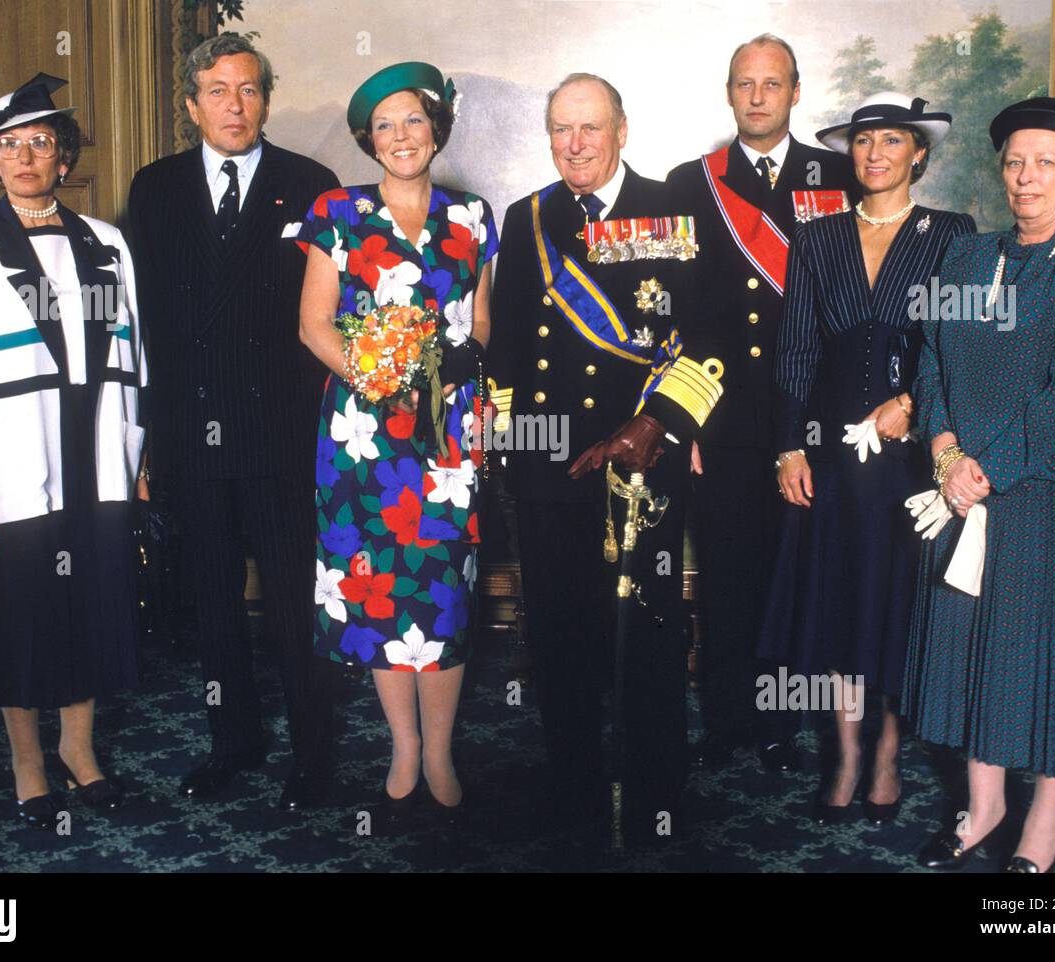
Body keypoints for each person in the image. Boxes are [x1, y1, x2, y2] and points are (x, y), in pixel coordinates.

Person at [489, 73, 718, 849]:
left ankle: (658, 788)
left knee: (648, 629)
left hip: (642, 462)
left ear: (622, 130)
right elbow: (511, 347)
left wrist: (660, 423)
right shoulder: (528, 220)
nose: (575, 144)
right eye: (561, 129)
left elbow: (710, 337)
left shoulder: (675, 211)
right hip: (551, 465)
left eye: (590, 128)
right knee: (559, 630)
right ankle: (574, 783)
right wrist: (513, 451)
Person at [903, 98, 1055, 873]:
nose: (1026, 176)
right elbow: (929, 360)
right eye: (1014, 161)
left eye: (1045, 162)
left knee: (1054, 659)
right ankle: (985, 805)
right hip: (964, 490)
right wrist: (943, 453)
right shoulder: (969, 255)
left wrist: (985, 469)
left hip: (1047, 493)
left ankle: (1044, 825)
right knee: (976, 654)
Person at [126, 34, 340, 811]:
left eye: (247, 90)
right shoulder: (152, 191)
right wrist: (146, 438)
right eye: (217, 91)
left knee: (293, 605)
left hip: (283, 438)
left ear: (267, 100)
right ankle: (233, 744)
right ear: (191, 106)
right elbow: (143, 323)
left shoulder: (310, 184)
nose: (234, 105)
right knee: (213, 605)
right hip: (193, 433)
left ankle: (315, 756)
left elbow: (331, 317)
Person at [0, 74, 145, 826]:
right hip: (11, 471)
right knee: (18, 616)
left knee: (89, 606)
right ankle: (28, 760)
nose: (25, 157)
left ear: (63, 157)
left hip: (96, 465)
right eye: (9, 145)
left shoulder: (108, 245)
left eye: (40, 142)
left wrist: (137, 461)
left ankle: (79, 751)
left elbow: (134, 361)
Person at [758, 93, 975, 825]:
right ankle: (846, 755)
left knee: (897, 606)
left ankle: (886, 755)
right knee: (840, 605)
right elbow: (795, 350)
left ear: (919, 153)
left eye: (891, 141)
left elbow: (960, 346)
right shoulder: (817, 239)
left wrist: (910, 405)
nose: (874, 153)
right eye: (863, 142)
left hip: (915, 461)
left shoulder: (952, 235)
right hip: (832, 457)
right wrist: (790, 445)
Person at [297, 62, 497, 820]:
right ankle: (403, 748)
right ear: (367, 140)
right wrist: (378, 381)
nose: (401, 136)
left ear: (437, 128)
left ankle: (440, 751)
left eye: (413, 119)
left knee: (441, 590)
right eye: (385, 125)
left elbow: (480, 322)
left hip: (448, 433)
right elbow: (313, 323)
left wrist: (456, 366)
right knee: (382, 592)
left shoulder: (474, 216)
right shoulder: (338, 212)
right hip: (363, 436)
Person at [665, 34, 856, 772]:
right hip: (725, 416)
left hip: (810, 413)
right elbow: (675, 314)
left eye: (770, 84)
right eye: (744, 83)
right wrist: (687, 420)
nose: (756, 96)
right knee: (726, 574)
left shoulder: (835, 176)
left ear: (795, 93)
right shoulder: (692, 182)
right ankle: (725, 720)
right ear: (729, 92)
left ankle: (780, 725)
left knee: (794, 575)